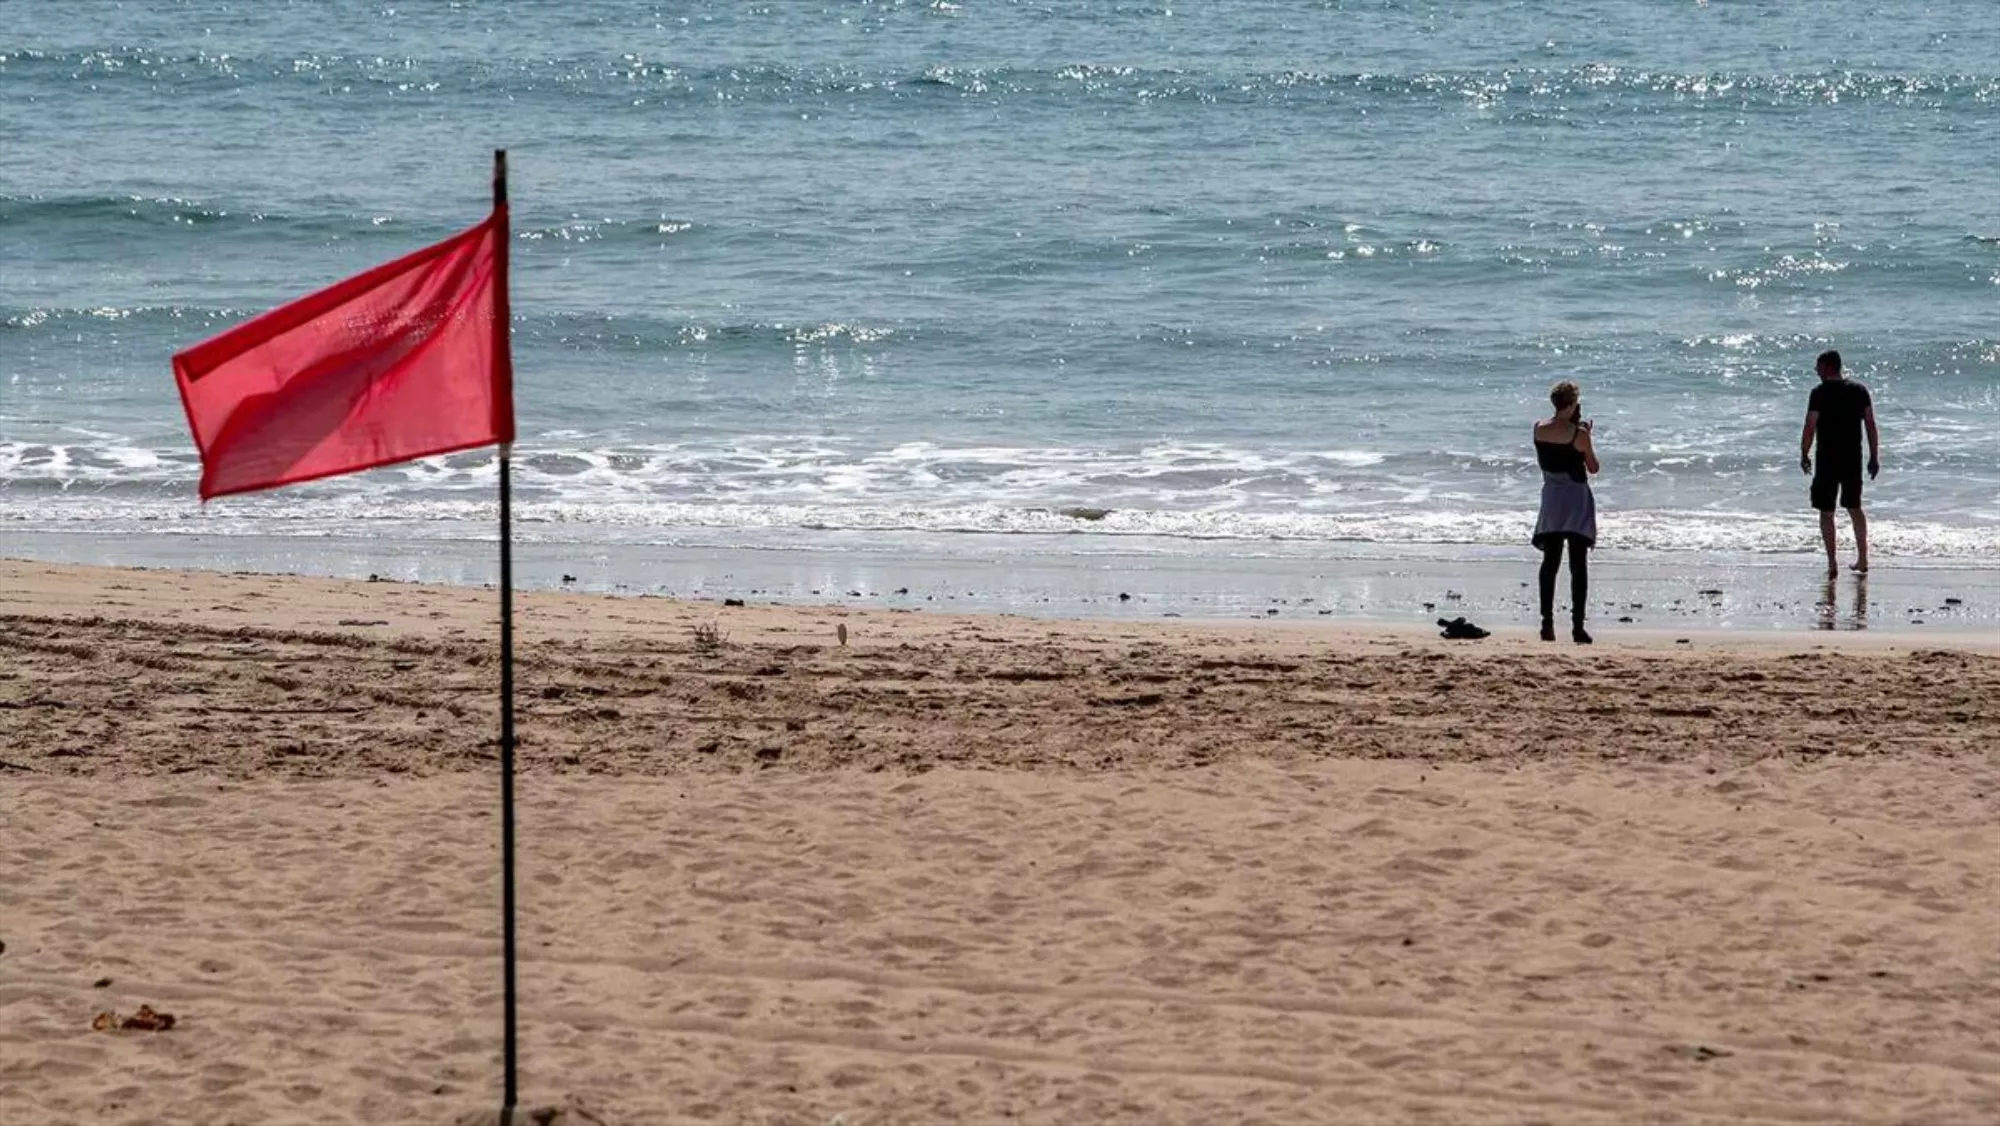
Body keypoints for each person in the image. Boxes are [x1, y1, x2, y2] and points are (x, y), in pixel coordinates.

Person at [1799, 349, 1880, 578]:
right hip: (1852, 459)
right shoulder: (1859, 390)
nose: (1816, 371)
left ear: (1828, 367)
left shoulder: (1818, 393)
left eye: (1818, 367)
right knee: (1855, 508)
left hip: (1827, 460)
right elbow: (1871, 426)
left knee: (1826, 512)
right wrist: (1874, 456)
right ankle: (1863, 559)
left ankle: (1832, 563)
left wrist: (1804, 453)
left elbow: (1810, 426)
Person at [1532, 381, 1600, 643]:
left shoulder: (1539, 429)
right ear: (1572, 404)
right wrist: (1588, 437)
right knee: (1577, 565)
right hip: (1575, 499)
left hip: (1552, 497)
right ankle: (1577, 627)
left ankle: (1546, 623)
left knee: (1550, 563)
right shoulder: (1579, 434)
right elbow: (1593, 467)